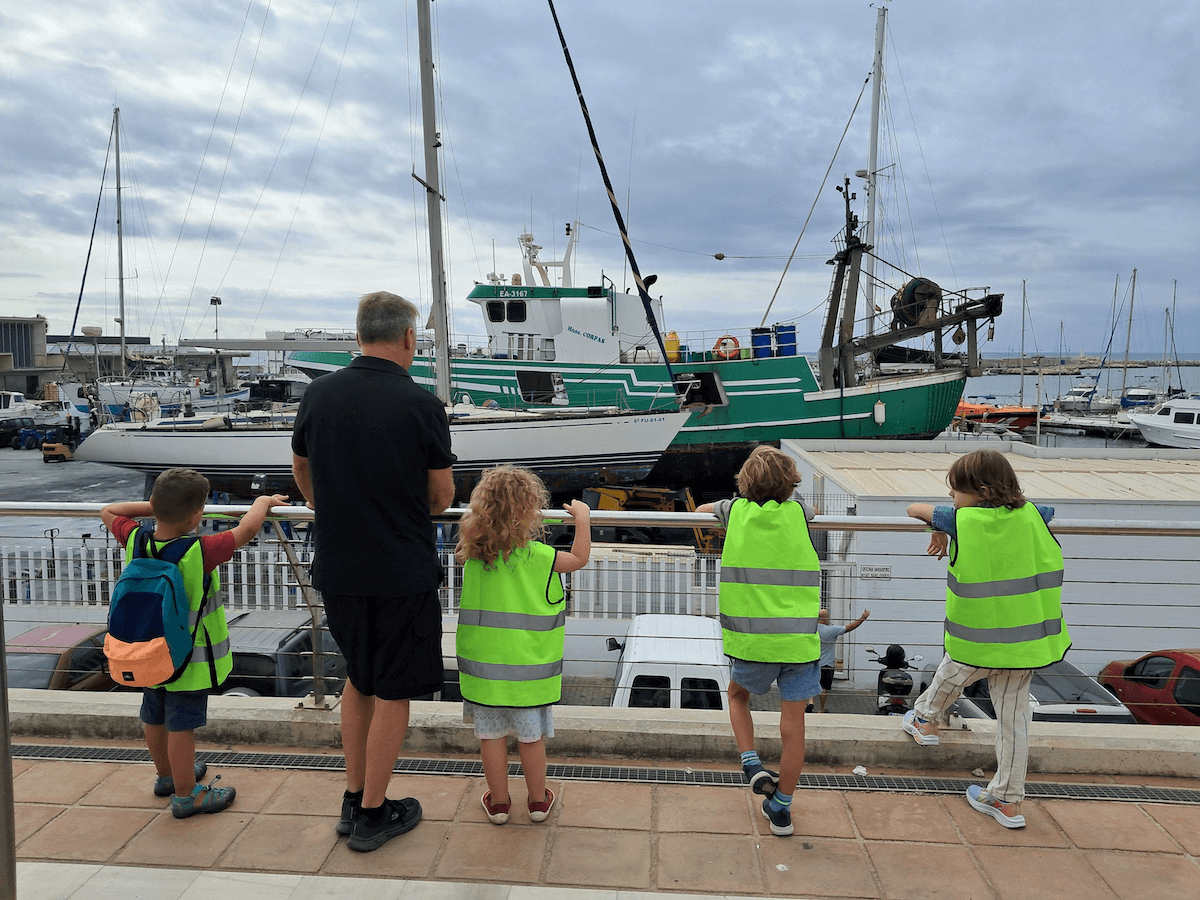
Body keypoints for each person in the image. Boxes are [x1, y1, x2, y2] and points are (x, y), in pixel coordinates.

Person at [291, 291, 456, 852]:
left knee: (358, 679)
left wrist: (328, 506)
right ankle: (372, 814)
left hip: (337, 564)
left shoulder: (318, 394)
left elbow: (302, 472)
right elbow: (441, 495)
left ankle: (354, 793)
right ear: (409, 338)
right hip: (400, 570)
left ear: (358, 335)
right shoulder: (421, 405)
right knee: (394, 691)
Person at [100, 468, 288, 818]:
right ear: (198, 515)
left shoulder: (135, 540)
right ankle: (187, 797)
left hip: (145, 652)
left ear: (154, 505)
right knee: (181, 726)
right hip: (189, 661)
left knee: (153, 716)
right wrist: (262, 501)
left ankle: (167, 777)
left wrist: (156, 509)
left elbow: (109, 511)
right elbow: (247, 529)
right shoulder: (200, 550)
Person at [903, 448, 1069, 830]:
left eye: (955, 490)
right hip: (1025, 642)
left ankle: (926, 719)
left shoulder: (959, 519)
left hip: (979, 637)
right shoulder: (1034, 516)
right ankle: (1007, 800)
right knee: (1013, 722)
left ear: (977, 491)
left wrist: (938, 527)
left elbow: (914, 507)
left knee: (952, 671)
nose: (950, 497)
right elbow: (1044, 512)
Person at [454, 466, 591, 825]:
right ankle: (537, 802)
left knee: (490, 737)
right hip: (529, 673)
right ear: (530, 510)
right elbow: (578, 559)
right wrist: (583, 518)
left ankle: (499, 804)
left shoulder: (472, 554)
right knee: (531, 740)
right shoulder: (540, 557)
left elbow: (466, 546)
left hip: (485, 671)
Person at [696, 445, 821, 838]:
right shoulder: (798, 512)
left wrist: (721, 507)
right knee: (794, 726)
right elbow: (809, 510)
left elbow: (700, 513)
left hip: (753, 642)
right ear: (791, 485)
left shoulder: (736, 512)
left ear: (744, 484)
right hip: (800, 641)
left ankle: (750, 762)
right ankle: (782, 806)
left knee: (736, 696)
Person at [810, 608, 871, 713]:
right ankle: (821, 708)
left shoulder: (811, 629)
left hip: (812, 662)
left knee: (810, 684)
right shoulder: (830, 630)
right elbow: (850, 627)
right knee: (824, 687)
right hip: (827, 664)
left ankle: (810, 703)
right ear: (825, 619)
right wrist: (862, 618)